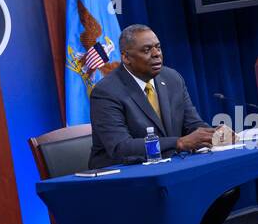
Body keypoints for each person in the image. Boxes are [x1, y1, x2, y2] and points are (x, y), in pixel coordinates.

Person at [88, 24, 231, 169]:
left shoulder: (172, 79)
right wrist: (178, 143)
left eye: (158, 47)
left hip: (169, 166)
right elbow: (121, 148)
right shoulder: (106, 91)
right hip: (122, 177)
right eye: (147, 50)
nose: (157, 54)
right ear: (126, 57)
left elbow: (192, 125)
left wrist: (214, 135)